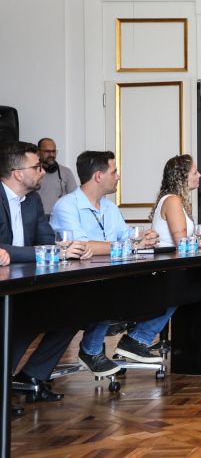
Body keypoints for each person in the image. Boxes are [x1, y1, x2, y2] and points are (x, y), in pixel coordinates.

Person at [50, 150, 165, 376]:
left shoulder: (110, 208)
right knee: (107, 286)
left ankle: (136, 340)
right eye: (114, 172)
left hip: (113, 277)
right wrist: (132, 245)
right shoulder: (67, 206)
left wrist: (144, 237)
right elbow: (82, 247)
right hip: (78, 282)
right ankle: (90, 350)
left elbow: (126, 236)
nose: (118, 177)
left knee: (168, 284)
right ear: (98, 176)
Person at [1, 141, 92, 414]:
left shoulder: (33, 200)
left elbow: (47, 242)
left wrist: (69, 249)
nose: (43, 171)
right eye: (36, 167)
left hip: (29, 280)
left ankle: (32, 376)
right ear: (18, 173)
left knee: (74, 309)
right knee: (23, 318)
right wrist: (50, 251)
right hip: (5, 284)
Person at [150, 154, 201, 248]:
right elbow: (181, 243)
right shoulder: (172, 201)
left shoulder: (175, 200)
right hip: (168, 256)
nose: (199, 175)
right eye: (195, 173)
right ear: (181, 176)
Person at [35, 137, 78, 216]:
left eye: (53, 151)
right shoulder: (31, 172)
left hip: (60, 216)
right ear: (38, 153)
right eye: (47, 151)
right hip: (37, 216)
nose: (51, 154)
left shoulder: (66, 172)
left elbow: (75, 197)